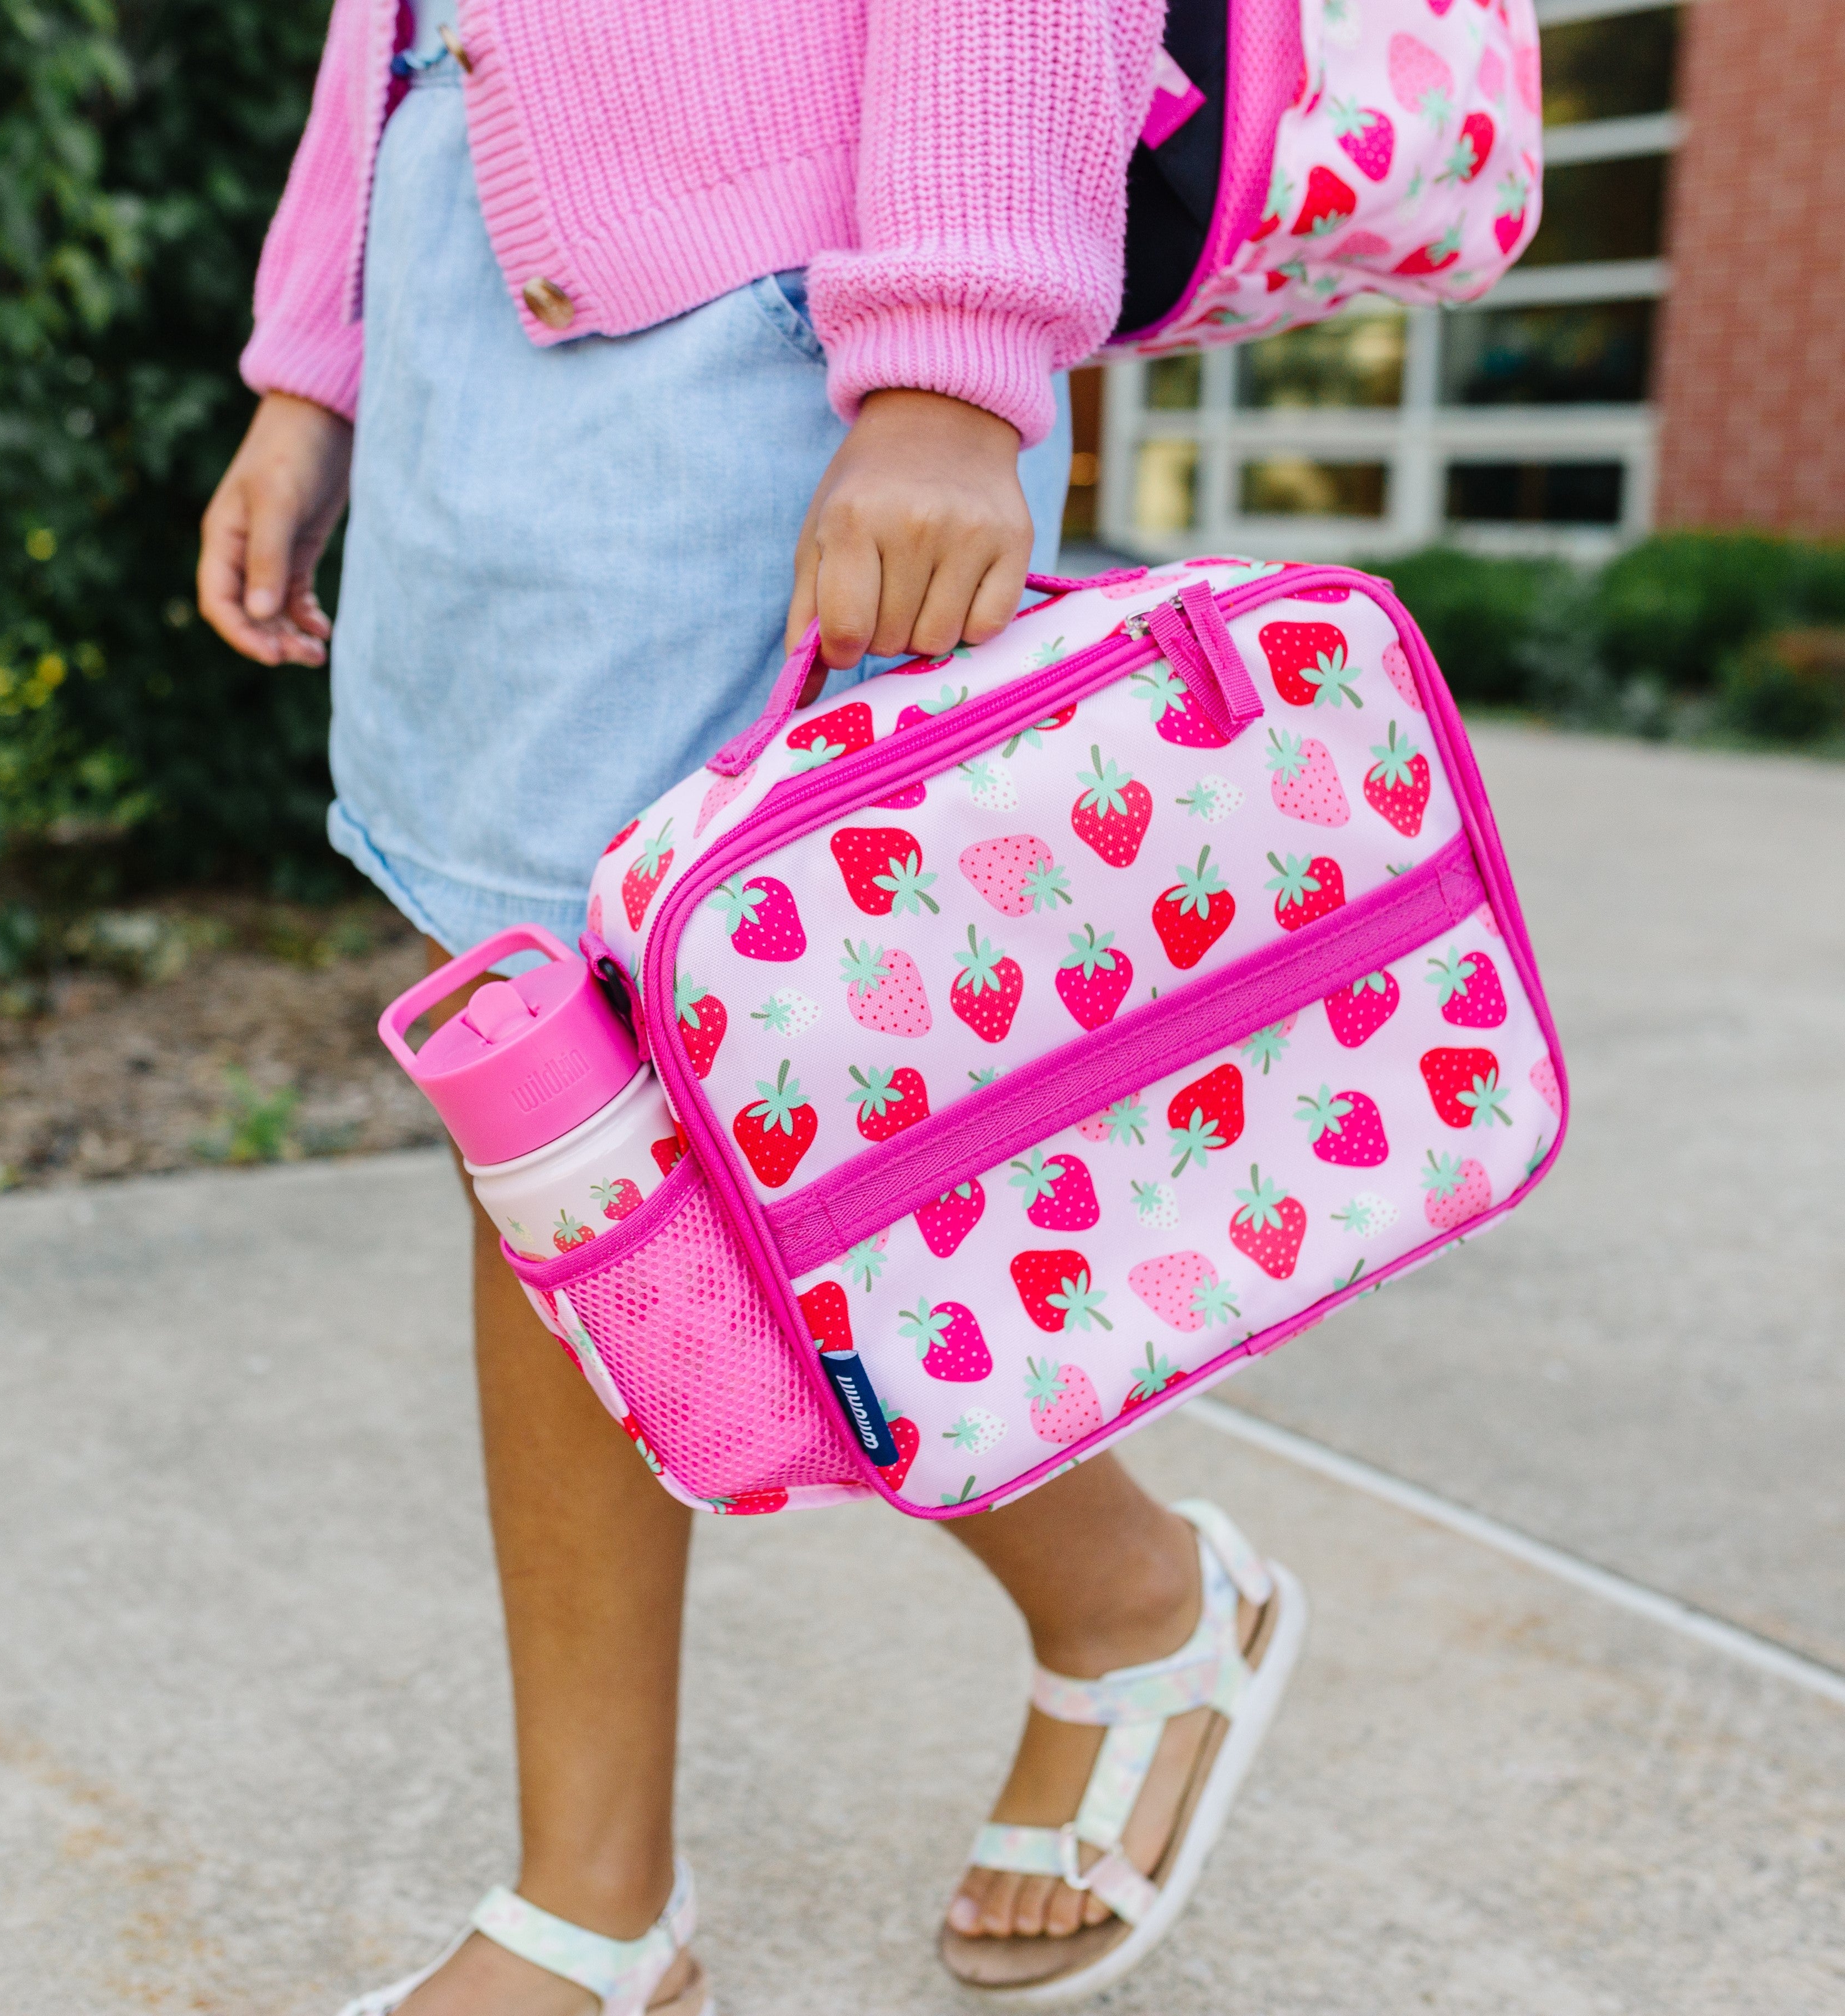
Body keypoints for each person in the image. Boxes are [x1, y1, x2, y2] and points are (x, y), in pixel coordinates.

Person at [196, 2, 1301, 2008]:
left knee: (744, 1118)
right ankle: (597, 1896)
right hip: (470, 303)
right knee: (546, 1111)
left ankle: (1135, 1594)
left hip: (769, 317)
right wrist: (319, 362)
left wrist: (956, 357)